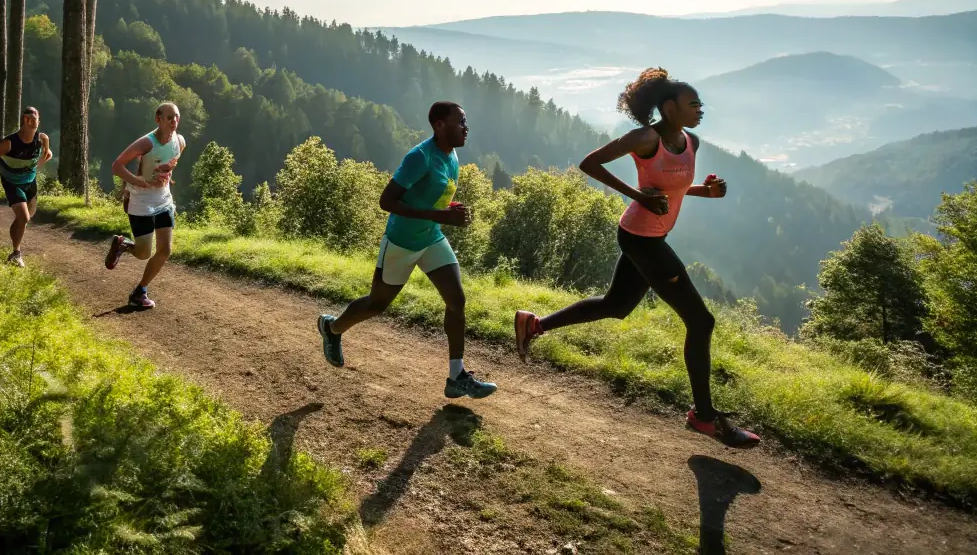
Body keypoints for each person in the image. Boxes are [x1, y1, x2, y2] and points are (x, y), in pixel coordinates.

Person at [512, 68, 760, 448]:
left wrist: (704, 192)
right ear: (669, 107)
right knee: (701, 320)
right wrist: (639, 195)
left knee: (616, 305)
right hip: (641, 238)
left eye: (700, 104)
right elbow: (589, 164)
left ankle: (535, 325)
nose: (700, 109)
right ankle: (704, 417)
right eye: (693, 103)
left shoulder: (691, 141)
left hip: (650, 236)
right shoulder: (645, 138)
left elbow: (672, 188)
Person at [317, 102, 497, 400]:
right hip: (401, 242)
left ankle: (457, 376)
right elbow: (386, 201)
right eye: (460, 122)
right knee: (377, 304)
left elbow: (430, 198)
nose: (467, 128)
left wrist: (449, 210)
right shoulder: (419, 157)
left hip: (431, 238)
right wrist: (441, 217)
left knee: (456, 300)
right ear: (439, 125)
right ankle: (332, 328)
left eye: (466, 123)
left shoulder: (451, 154)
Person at [104, 102, 187, 309]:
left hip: (163, 199)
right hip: (141, 199)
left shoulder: (180, 141)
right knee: (143, 253)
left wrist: (167, 174)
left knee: (165, 249)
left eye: (176, 117)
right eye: (169, 117)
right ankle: (123, 244)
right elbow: (117, 166)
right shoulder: (146, 143)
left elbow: (172, 161)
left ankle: (140, 291)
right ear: (158, 119)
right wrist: (139, 181)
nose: (174, 121)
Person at [0, 106, 52, 268]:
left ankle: (14, 251)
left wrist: (37, 164)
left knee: (23, 219)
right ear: (24, 120)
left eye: (36, 118)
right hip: (12, 183)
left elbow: (48, 153)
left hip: (30, 183)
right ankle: (16, 253)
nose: (33, 121)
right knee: (24, 218)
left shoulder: (42, 139)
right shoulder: (9, 143)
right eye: (30, 118)